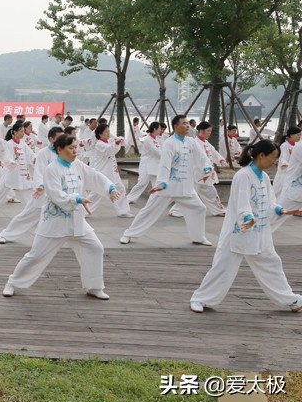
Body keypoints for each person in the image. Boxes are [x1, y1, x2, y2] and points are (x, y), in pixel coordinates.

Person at [1, 134, 120, 300]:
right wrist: (77, 199)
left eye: (76, 147)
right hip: (54, 222)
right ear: (59, 150)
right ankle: (12, 283)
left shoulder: (78, 165)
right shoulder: (52, 169)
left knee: (95, 248)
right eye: (71, 148)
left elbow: (95, 176)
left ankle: (94, 286)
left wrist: (110, 188)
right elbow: (56, 195)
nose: (75, 151)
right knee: (36, 255)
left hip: (77, 221)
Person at [189, 140, 302, 313]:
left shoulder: (263, 177)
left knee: (272, 264)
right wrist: (247, 218)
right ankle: (200, 299)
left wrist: (283, 210)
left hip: (260, 232)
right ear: (261, 156)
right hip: (239, 231)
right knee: (223, 268)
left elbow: (270, 202)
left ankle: (291, 300)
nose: (275, 162)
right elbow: (242, 203)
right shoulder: (243, 175)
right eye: (273, 157)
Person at [119, 115, 213, 246]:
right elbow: (164, 164)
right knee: (149, 211)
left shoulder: (191, 142)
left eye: (187, 123)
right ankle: (128, 234)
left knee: (199, 208)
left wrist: (207, 168)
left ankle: (198, 237)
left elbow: (202, 156)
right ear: (175, 127)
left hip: (185, 187)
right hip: (167, 186)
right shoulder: (169, 143)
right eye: (184, 123)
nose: (187, 126)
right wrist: (162, 182)